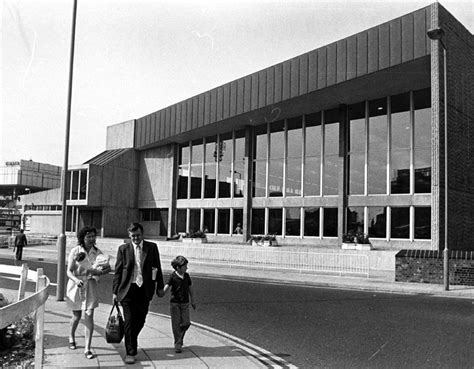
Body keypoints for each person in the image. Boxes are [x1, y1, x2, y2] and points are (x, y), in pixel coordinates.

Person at [113, 222, 164, 364]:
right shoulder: (123, 249)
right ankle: (131, 351)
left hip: (144, 289)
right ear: (129, 236)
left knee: (140, 320)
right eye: (133, 236)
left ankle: (130, 338)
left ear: (143, 234)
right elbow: (117, 272)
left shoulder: (151, 247)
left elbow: (157, 267)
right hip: (127, 290)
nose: (136, 238)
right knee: (129, 320)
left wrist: (160, 286)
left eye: (138, 235)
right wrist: (114, 292)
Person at [66, 226, 111, 359]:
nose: (91, 239)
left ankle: (87, 348)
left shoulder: (97, 252)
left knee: (89, 314)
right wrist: (75, 280)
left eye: (93, 236)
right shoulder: (75, 251)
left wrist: (100, 272)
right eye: (88, 237)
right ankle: (71, 337)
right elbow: (69, 271)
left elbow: (107, 268)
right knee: (76, 316)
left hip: (90, 285)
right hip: (76, 286)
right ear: (82, 238)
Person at [163, 255, 196, 353]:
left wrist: (193, 300)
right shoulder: (172, 276)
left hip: (185, 303)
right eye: (185, 266)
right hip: (175, 304)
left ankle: (179, 337)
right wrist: (161, 292)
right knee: (176, 324)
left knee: (186, 323)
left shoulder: (187, 276)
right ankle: (178, 343)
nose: (187, 268)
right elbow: (167, 286)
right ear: (178, 267)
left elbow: (190, 288)